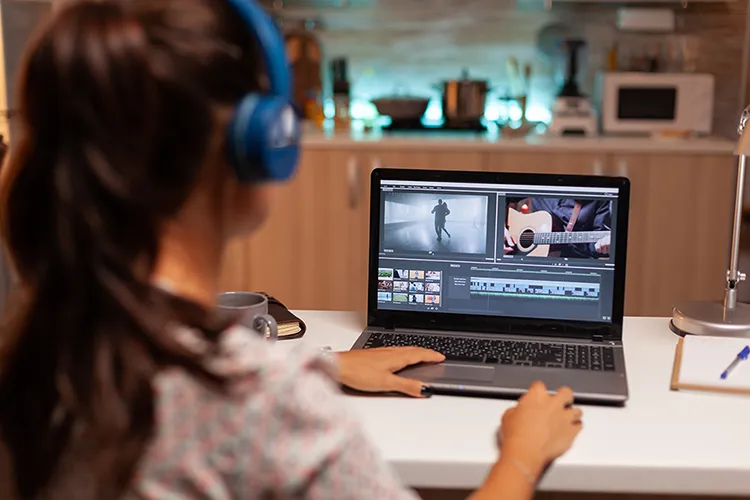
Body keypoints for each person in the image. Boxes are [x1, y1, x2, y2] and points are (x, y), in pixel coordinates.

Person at [0, 1, 583, 499]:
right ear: (258, 142)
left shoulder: (49, 343)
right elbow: (239, 405)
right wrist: (522, 454)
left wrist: (324, 367)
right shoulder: (265, 396)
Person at [504, 198, 611, 258]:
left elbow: (594, 246)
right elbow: (501, 196)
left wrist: (603, 246)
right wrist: (500, 227)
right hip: (528, 264)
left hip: (572, 266)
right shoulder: (542, 178)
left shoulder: (599, 198)